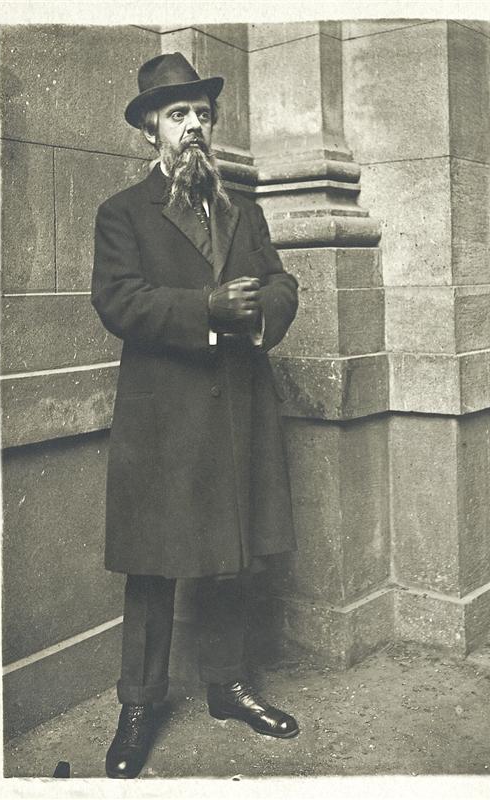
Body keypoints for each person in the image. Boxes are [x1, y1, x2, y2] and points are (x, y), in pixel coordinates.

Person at [91, 52, 300, 779]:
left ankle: (227, 685)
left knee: (230, 554)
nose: (194, 127)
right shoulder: (122, 213)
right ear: (150, 128)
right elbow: (118, 301)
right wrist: (207, 310)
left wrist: (262, 310)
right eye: (178, 115)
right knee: (153, 565)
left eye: (203, 115)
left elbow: (281, 282)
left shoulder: (241, 210)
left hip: (237, 406)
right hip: (164, 419)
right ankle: (139, 705)